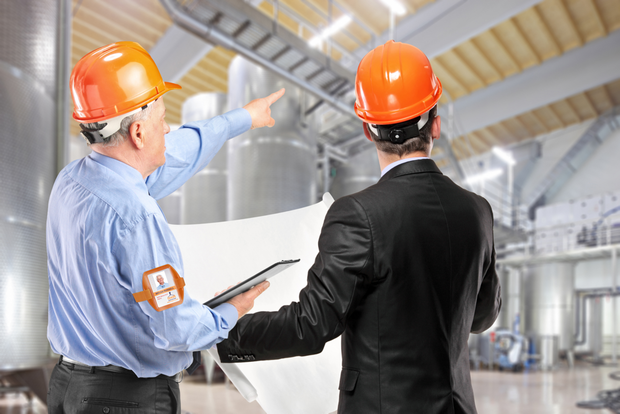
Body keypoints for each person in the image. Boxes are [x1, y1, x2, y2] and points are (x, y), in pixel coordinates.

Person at [216, 40, 501, 413]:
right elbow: (482, 317)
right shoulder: (478, 212)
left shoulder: (359, 214)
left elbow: (311, 323)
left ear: (368, 130)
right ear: (436, 124)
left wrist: (221, 332)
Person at [46, 41, 277, 413]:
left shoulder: (70, 182)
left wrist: (242, 118)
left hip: (68, 386)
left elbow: (178, 153)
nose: (168, 129)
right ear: (138, 133)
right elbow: (176, 329)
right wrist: (233, 308)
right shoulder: (137, 217)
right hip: (124, 399)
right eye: (163, 118)